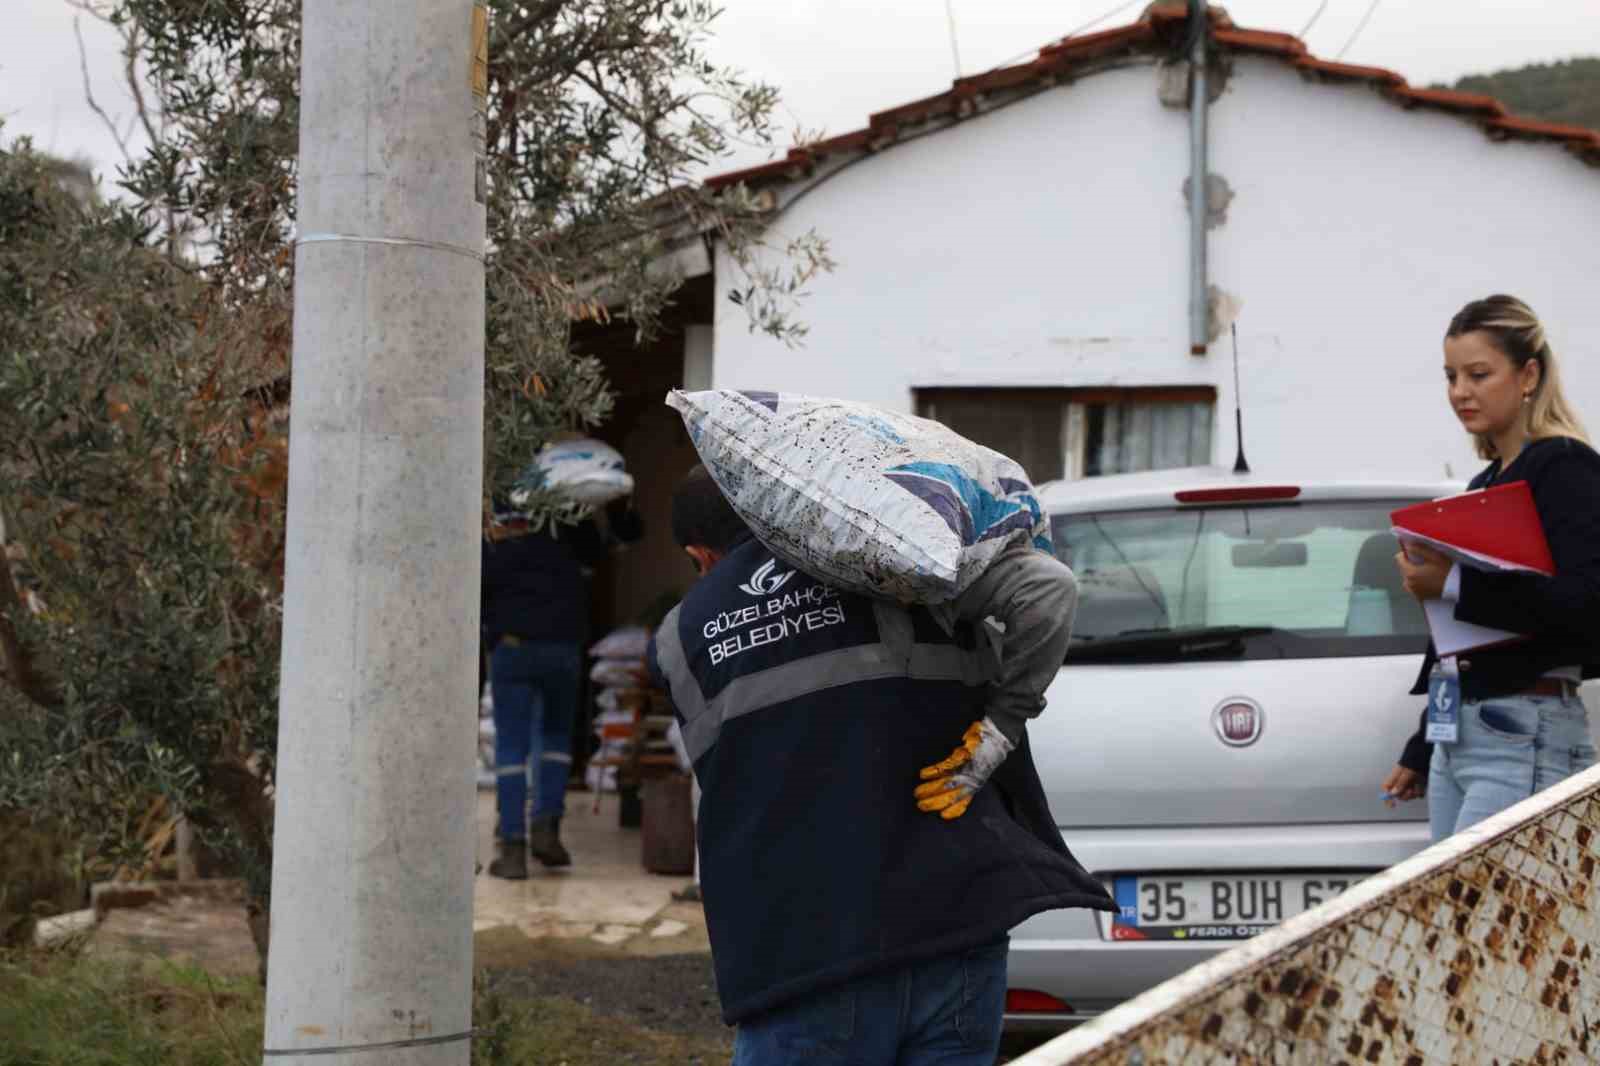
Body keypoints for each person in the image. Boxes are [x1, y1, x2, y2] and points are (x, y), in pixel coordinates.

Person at [648, 465, 1113, 1065]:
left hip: (803, 960)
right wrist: (1003, 723)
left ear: (698, 554)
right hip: (955, 933)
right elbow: (1049, 589)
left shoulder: (674, 641)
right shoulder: (898, 563)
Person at [1381, 295, 1600, 841]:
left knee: (1489, 918)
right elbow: (1462, 643)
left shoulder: (1566, 466)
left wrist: (1451, 583)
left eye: (1479, 374)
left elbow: (1582, 605)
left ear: (1529, 375)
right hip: (1461, 736)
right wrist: (1423, 744)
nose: (1459, 392)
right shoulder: (1483, 487)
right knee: (1461, 921)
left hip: (1526, 731)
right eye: (1451, 376)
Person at [481, 496, 641, 879]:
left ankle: (514, 848)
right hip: (563, 651)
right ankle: (547, 832)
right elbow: (614, 545)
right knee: (554, 740)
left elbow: (480, 590)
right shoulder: (574, 535)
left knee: (511, 747)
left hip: (514, 650)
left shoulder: (499, 542)